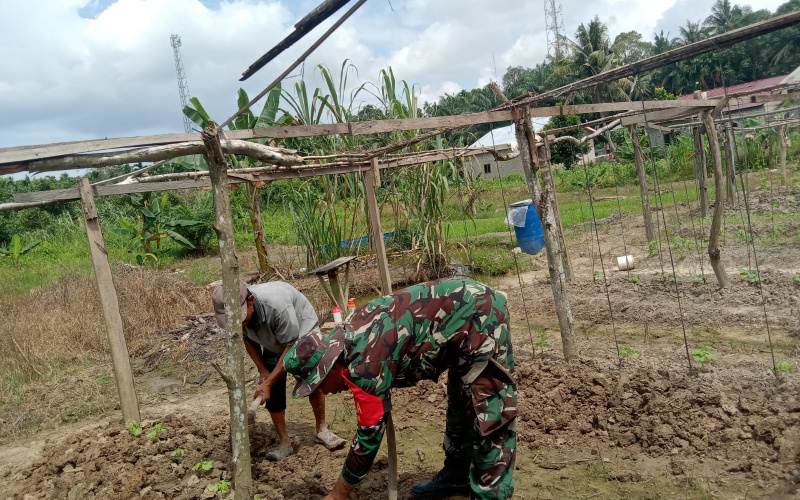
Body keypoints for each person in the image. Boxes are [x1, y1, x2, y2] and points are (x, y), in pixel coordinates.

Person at [284, 278, 517, 500]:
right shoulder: (348, 339)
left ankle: (491, 493)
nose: (323, 392)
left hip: (480, 315)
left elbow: (368, 437)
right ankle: (456, 478)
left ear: (330, 367)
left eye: (319, 384)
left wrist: (338, 493)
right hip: (455, 326)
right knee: (460, 403)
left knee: (488, 413)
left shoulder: (366, 364)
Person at [211, 281, 346, 461]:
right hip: (273, 337)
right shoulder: (242, 315)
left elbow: (291, 346)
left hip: (301, 333)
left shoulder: (276, 306)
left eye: (241, 319)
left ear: (250, 302)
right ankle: (285, 443)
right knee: (272, 389)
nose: (240, 323)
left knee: (311, 378)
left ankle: (322, 429)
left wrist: (268, 382)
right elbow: (247, 339)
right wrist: (263, 371)